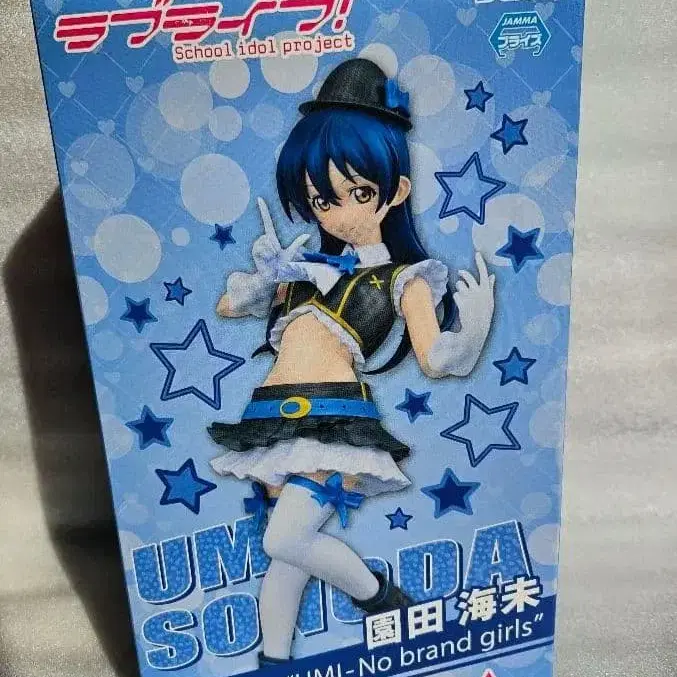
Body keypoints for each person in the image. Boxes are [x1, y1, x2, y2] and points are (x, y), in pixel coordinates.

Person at [207, 58, 495, 664]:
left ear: (396, 191)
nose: (335, 212)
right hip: (272, 421)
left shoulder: (404, 277)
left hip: (335, 423)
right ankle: (275, 662)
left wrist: (471, 332)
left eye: (358, 193)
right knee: (286, 553)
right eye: (320, 198)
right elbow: (228, 305)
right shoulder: (301, 270)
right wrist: (264, 278)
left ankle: (382, 600)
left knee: (286, 538)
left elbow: (436, 359)